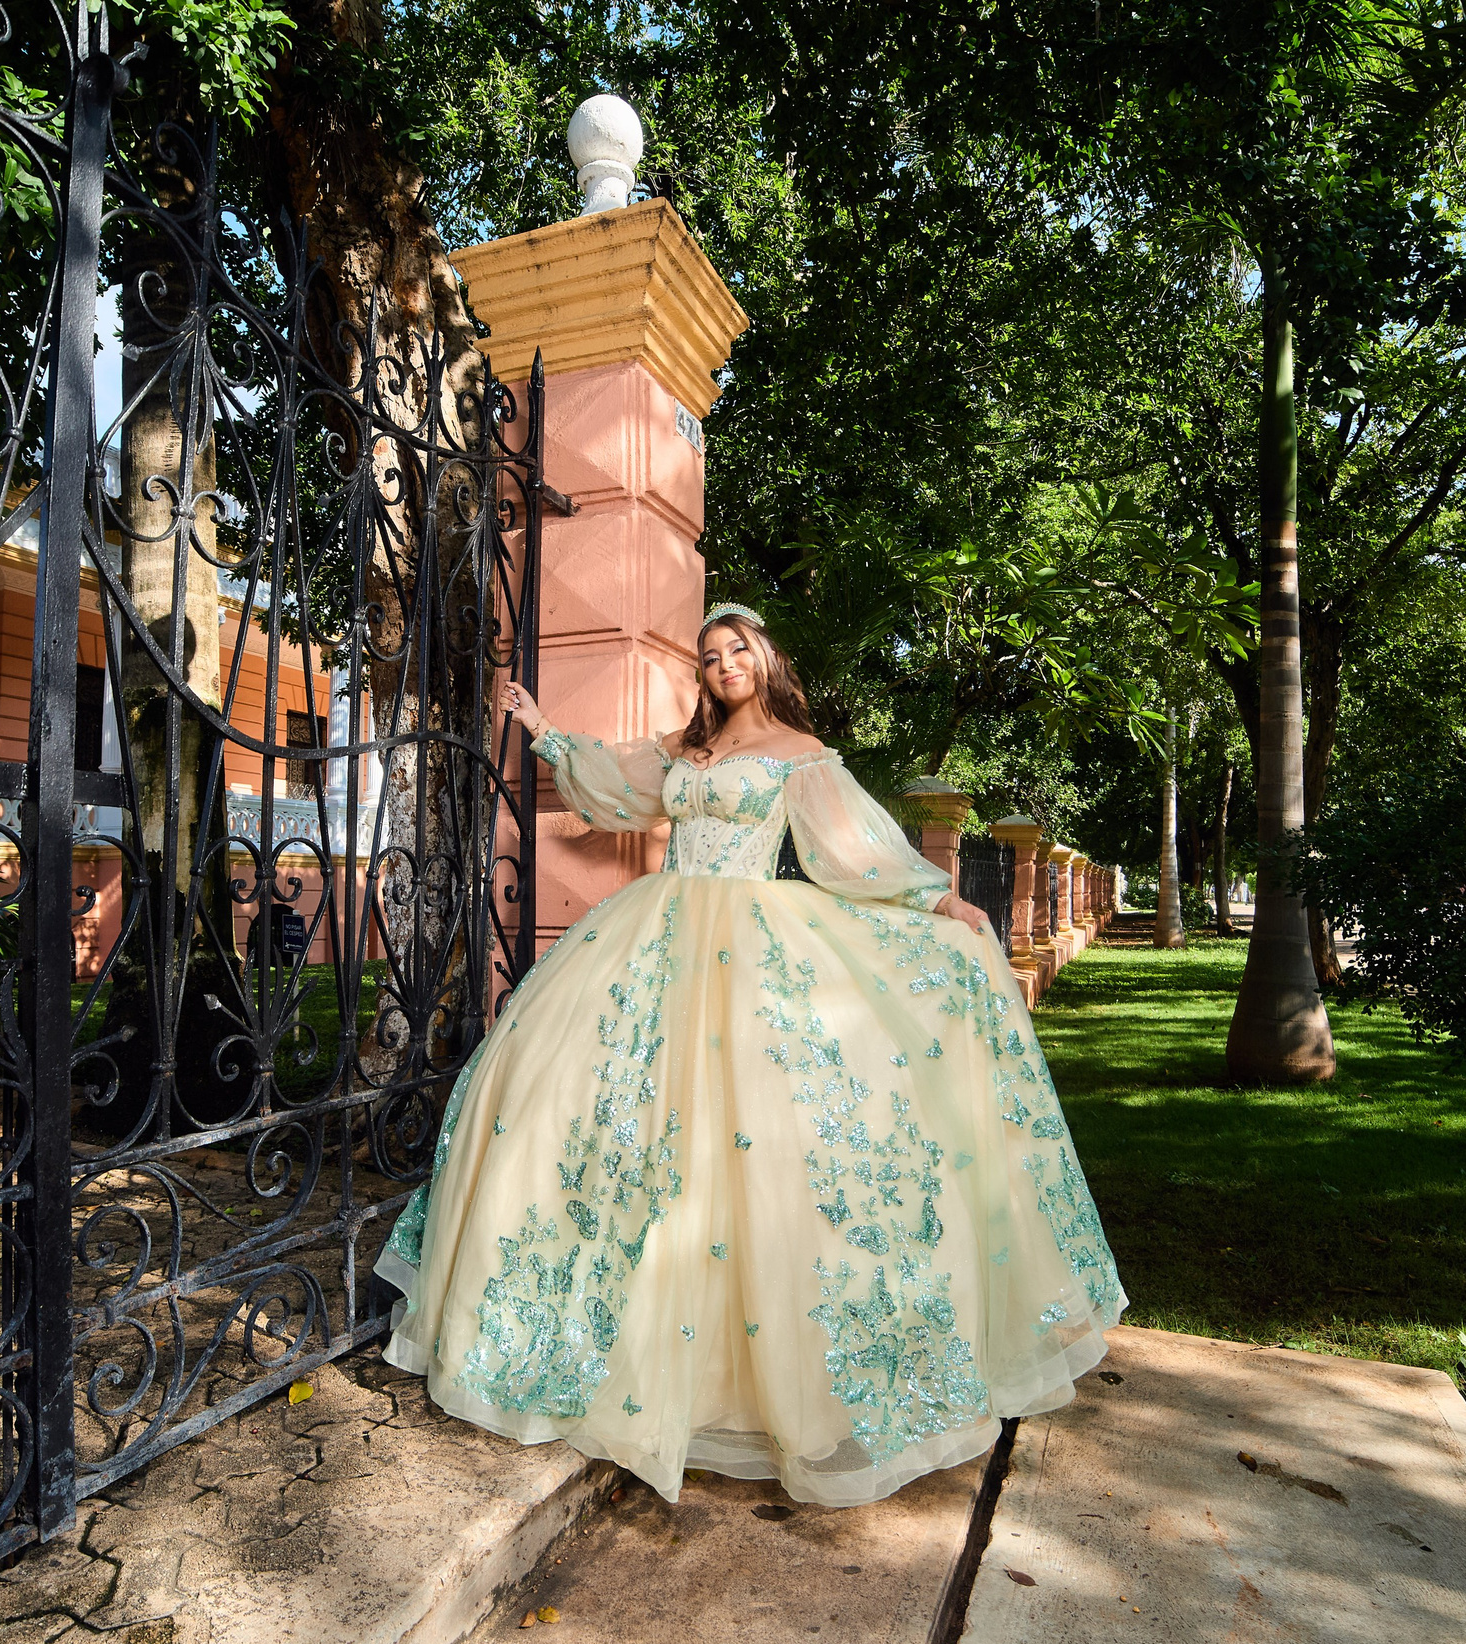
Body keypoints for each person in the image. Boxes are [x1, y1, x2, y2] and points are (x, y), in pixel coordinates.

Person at [375, 604, 1123, 1507]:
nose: (723, 663)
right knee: (573, 1107)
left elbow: (855, 853)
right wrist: (547, 735)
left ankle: (751, 1381)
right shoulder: (687, 752)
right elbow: (615, 783)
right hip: (650, 937)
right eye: (710, 654)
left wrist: (939, 903)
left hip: (752, 942)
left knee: (754, 1142)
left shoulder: (802, 756)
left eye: (738, 649)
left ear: (765, 659)